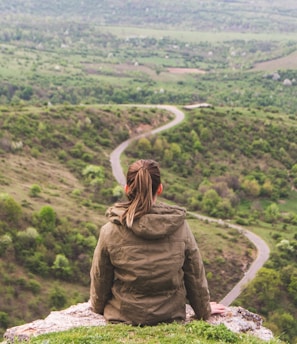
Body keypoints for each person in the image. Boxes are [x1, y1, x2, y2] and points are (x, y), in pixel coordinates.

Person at [90, 159, 225, 325]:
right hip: (170, 315)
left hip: (123, 315)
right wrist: (204, 310)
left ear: (127, 189)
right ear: (160, 188)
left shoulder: (110, 230)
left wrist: (97, 307)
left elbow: (100, 277)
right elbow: (194, 274)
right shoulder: (179, 226)